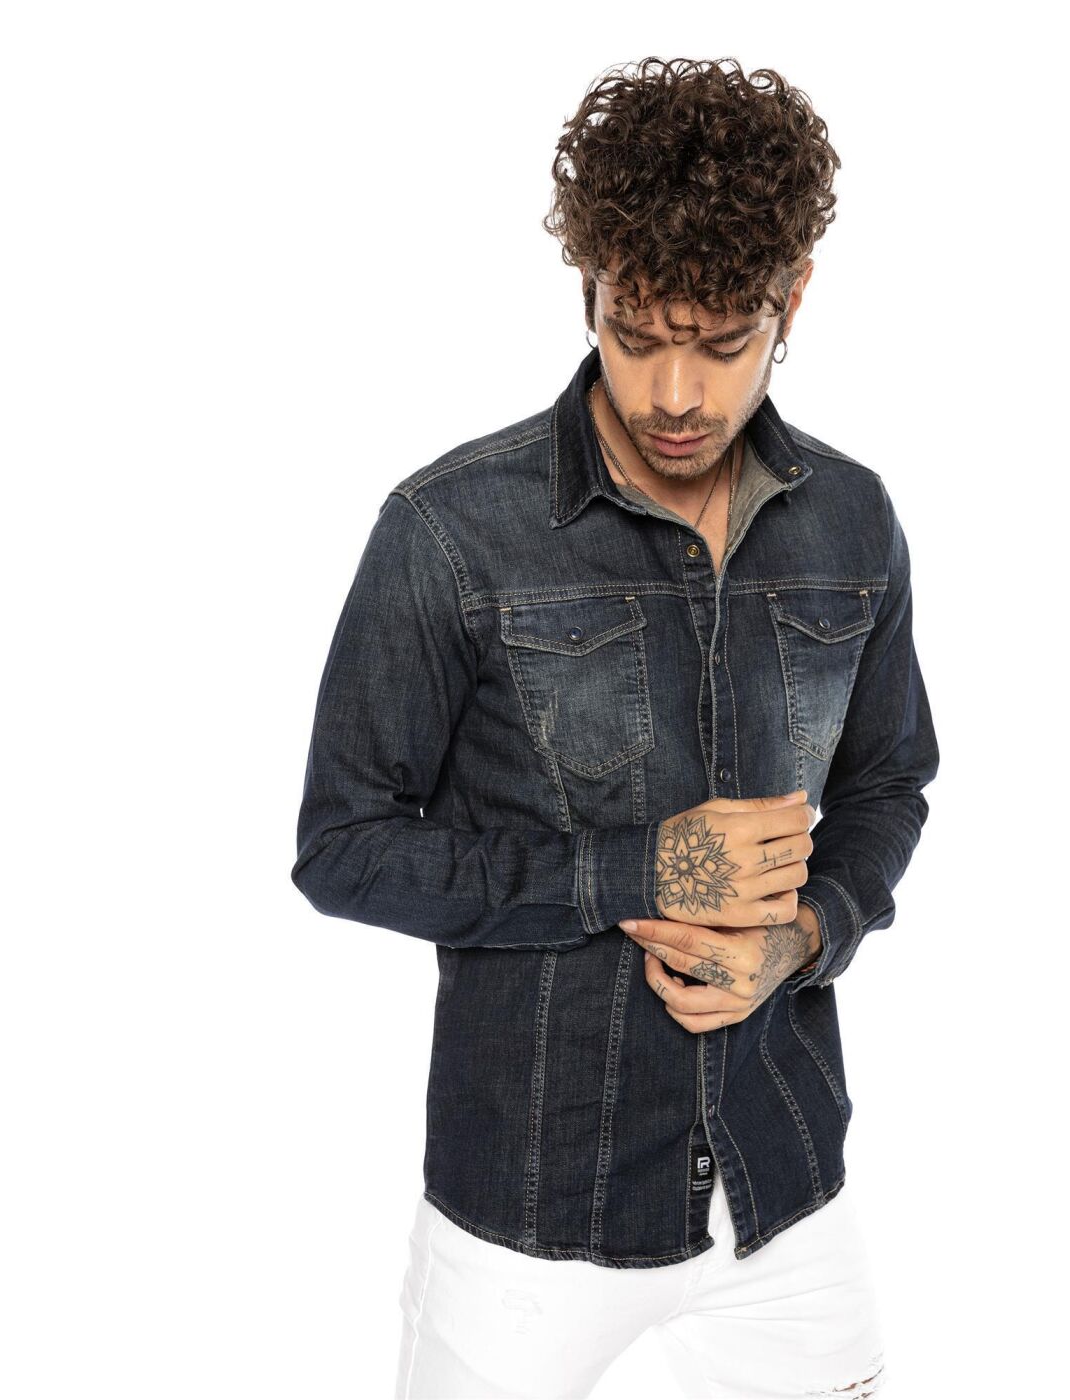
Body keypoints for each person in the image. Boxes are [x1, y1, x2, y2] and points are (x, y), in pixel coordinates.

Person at [291, 55, 938, 1400]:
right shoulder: (450, 533)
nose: (675, 394)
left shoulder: (853, 522)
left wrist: (801, 940)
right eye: (637, 335)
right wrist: (647, 870)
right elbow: (343, 849)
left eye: (723, 342)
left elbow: (889, 785)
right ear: (587, 288)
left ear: (792, 303)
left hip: (783, 1194)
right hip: (529, 1224)